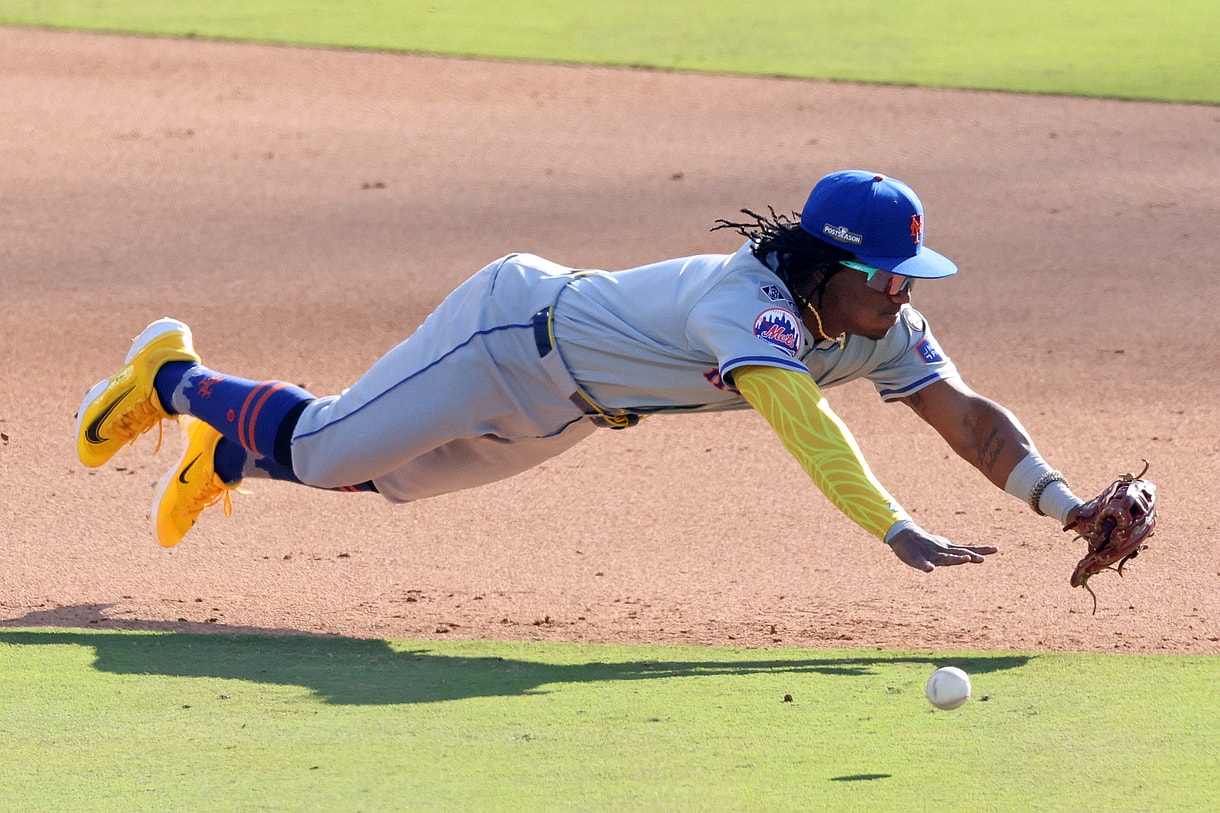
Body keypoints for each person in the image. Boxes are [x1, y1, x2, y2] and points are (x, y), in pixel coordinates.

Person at [76, 169, 1085, 570]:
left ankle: (231, 458)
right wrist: (893, 528)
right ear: (827, 262)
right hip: (505, 334)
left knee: (392, 480)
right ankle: (172, 378)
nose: (901, 294)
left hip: (570, 410)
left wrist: (1064, 504)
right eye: (886, 276)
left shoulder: (875, 325)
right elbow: (802, 422)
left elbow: (967, 420)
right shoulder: (744, 304)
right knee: (331, 447)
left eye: (908, 279)